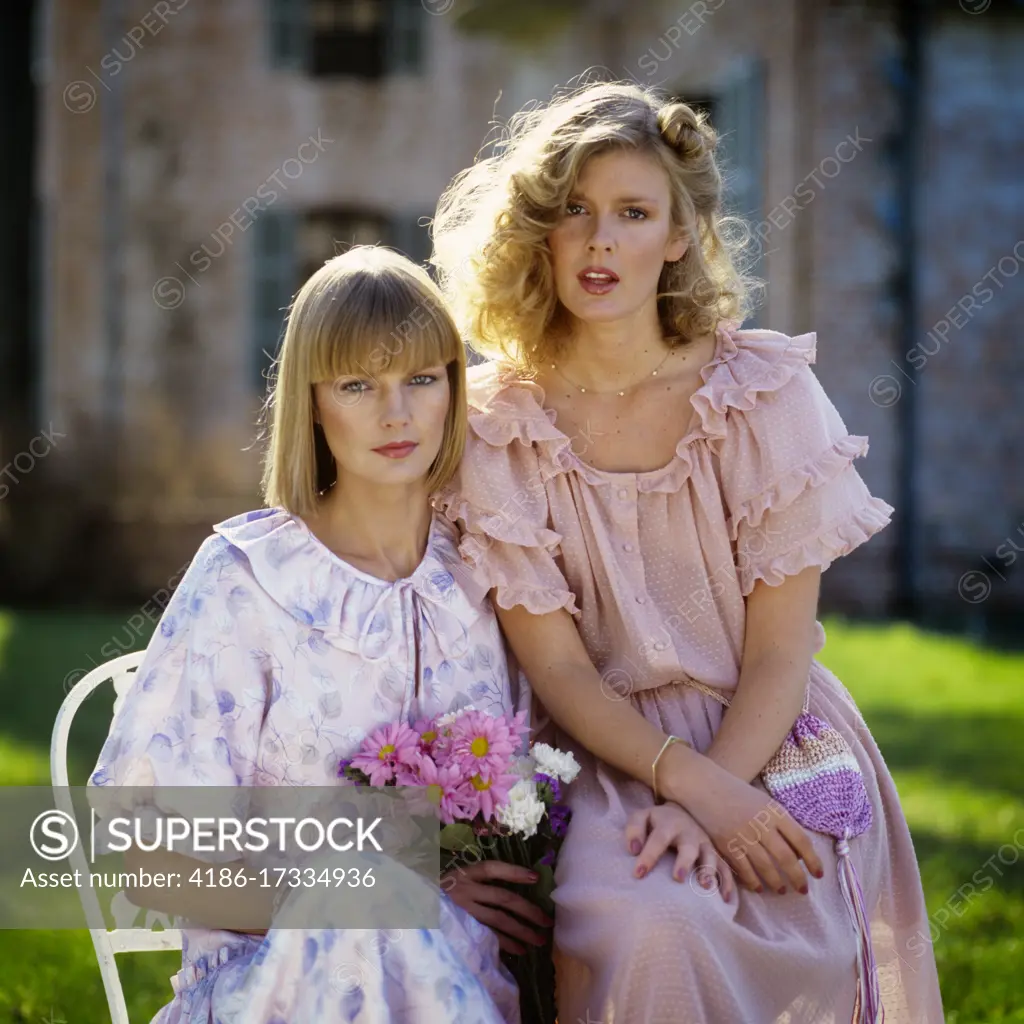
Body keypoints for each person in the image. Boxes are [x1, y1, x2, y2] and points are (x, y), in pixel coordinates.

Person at [430, 81, 945, 1023]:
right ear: (537, 233)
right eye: (574, 213)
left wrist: (730, 787)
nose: (601, 242)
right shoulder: (500, 424)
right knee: (650, 926)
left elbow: (781, 651)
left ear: (679, 236)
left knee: (777, 924)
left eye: (634, 213)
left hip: (769, 734)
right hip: (604, 753)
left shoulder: (763, 394)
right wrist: (690, 785)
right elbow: (557, 665)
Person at [86, 246, 550, 1023]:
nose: (395, 414)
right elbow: (155, 866)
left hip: (468, 980)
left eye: (421, 379)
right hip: (281, 978)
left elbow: (540, 803)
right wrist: (390, 889)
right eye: (357, 384)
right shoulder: (245, 580)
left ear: (454, 391)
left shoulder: (488, 575)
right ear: (312, 404)